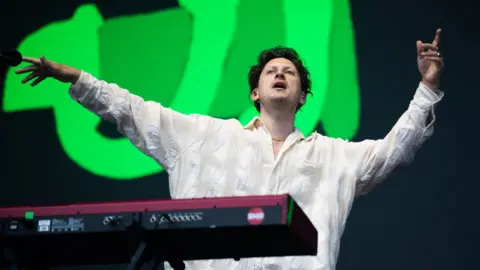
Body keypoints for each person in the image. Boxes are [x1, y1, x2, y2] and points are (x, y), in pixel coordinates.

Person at [14, 29, 444, 270]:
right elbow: (133, 110)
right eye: (271, 71)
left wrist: (427, 86)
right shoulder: (203, 137)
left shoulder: (335, 156)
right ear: (255, 93)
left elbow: (394, 151)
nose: (280, 74)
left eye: (289, 73)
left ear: (302, 96)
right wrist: (77, 78)